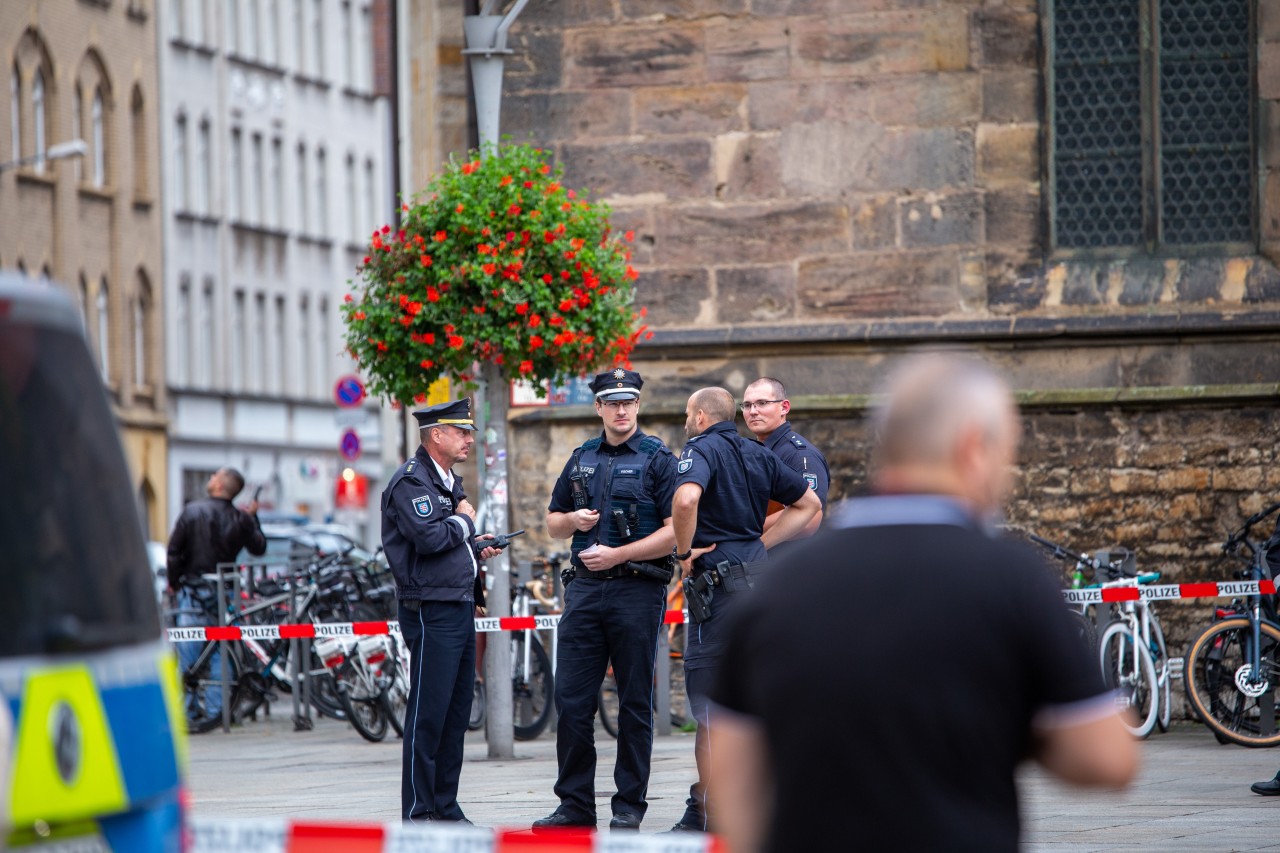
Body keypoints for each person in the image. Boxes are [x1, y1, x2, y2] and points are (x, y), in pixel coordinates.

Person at [707, 353, 1138, 853]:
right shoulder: (1008, 577)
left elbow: (734, 772)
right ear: (974, 447)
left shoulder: (781, 582)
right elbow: (1107, 758)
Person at [668, 387, 821, 833]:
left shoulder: (699, 449)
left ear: (699, 416)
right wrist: (756, 547)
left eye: (685, 414)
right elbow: (809, 507)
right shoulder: (758, 454)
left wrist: (683, 554)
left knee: (710, 709)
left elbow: (685, 500)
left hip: (715, 590)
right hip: (756, 586)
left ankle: (712, 815)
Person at [532, 368, 678, 833]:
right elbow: (552, 521)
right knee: (572, 701)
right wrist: (573, 519)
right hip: (585, 592)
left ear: (637, 406)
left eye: (629, 402)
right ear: (598, 408)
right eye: (612, 403)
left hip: (637, 588)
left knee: (634, 702)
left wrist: (619, 553)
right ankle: (575, 806)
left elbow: (677, 530)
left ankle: (628, 806)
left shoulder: (658, 459)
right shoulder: (582, 458)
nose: (621, 410)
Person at [382, 398, 499, 825]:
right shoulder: (412, 483)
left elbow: (446, 541)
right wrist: (466, 524)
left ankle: (445, 805)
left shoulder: (448, 480)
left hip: (457, 602)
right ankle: (419, 810)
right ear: (437, 435)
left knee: (454, 713)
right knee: (428, 712)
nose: (469, 438)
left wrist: (475, 545)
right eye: (462, 431)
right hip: (431, 609)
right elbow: (430, 539)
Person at [166, 467, 267, 732]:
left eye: (213, 476)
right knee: (221, 653)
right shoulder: (240, 518)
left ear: (220, 485)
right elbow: (259, 547)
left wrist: (175, 582)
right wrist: (254, 518)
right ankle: (217, 711)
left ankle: (186, 711)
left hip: (194, 590)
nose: (209, 478)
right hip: (224, 592)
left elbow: (174, 551)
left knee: (189, 651)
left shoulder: (192, 512)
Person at [741, 377, 830, 541]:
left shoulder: (800, 455)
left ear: (784, 407)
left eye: (762, 403)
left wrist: (744, 532)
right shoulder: (755, 452)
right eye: (747, 405)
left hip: (789, 561)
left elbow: (810, 519)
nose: (753, 411)